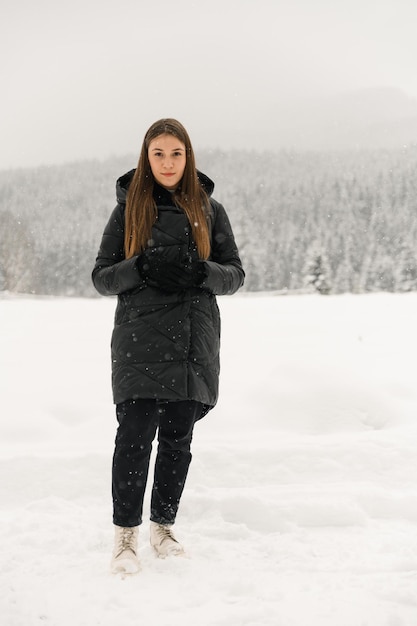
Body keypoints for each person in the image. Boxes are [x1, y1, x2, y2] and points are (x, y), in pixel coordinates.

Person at [92, 118, 245, 575]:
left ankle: (163, 527)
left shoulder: (209, 210)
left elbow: (234, 274)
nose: (167, 162)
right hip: (139, 341)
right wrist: (141, 266)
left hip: (192, 342)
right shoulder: (128, 210)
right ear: (146, 156)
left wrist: (202, 273)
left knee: (178, 440)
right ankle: (124, 538)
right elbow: (102, 277)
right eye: (158, 153)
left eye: (175, 153)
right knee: (134, 438)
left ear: (188, 156)